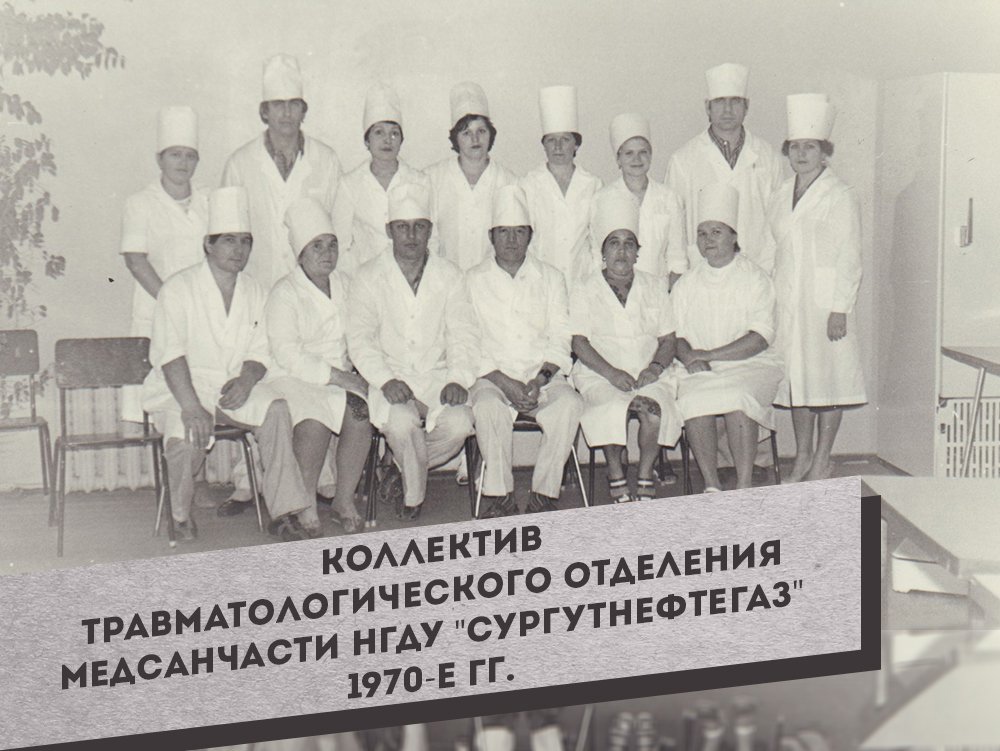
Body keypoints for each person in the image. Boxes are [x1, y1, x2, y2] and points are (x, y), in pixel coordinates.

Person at [141, 187, 317, 541]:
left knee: (276, 409)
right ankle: (179, 514)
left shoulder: (256, 291)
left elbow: (262, 349)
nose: (239, 250)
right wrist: (191, 406)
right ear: (208, 245)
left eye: (246, 241)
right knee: (185, 436)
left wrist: (248, 380)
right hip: (182, 390)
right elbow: (169, 354)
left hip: (234, 387)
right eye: (229, 241)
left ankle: (284, 512)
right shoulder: (178, 289)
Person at [221, 53, 343, 507]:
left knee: (313, 381)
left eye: (294, 104)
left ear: (304, 109)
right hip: (257, 287)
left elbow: (338, 228)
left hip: (309, 290)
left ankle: (321, 473)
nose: (287, 113)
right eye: (278, 105)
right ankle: (247, 478)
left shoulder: (326, 160)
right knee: (259, 382)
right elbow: (229, 227)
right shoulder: (240, 163)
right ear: (264, 111)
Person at [347, 182, 476, 521]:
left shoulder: (450, 275)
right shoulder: (368, 276)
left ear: (430, 230)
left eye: (419, 226)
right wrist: (385, 379)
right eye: (402, 227)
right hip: (390, 377)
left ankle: (397, 467)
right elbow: (360, 339)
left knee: (460, 424)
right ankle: (412, 496)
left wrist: (458, 377)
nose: (411, 235)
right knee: (403, 423)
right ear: (389, 230)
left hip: (437, 377)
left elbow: (463, 333)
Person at [466, 185, 583, 517]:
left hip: (541, 377)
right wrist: (505, 383)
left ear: (530, 235)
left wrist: (539, 379)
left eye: (519, 232)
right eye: (503, 232)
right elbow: (468, 341)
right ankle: (500, 494)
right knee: (487, 407)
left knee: (569, 404)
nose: (512, 240)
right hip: (492, 377)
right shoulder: (472, 280)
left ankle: (544, 493)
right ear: (491, 236)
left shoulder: (551, 277)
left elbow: (561, 337)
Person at [768, 94, 866, 482]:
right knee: (799, 381)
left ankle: (823, 458)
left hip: (825, 305)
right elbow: (773, 248)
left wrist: (840, 307)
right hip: (789, 302)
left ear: (824, 152)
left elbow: (850, 255)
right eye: (795, 147)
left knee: (828, 381)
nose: (802, 154)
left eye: (810, 147)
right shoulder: (780, 195)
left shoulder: (839, 194)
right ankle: (803, 456)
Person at [265, 198, 373, 535]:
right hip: (293, 377)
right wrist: (338, 377)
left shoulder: (347, 284)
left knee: (360, 412)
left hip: (338, 377)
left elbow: (361, 332)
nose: (327, 253)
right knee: (314, 420)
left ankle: (343, 499)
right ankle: (306, 501)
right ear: (300, 254)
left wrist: (360, 372)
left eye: (332, 245)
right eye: (317, 246)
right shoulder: (284, 292)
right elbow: (287, 352)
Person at [570, 194, 682, 503]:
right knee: (610, 409)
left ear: (638, 252)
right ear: (603, 251)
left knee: (654, 412)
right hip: (600, 373)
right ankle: (616, 472)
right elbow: (579, 342)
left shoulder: (655, 285)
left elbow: (668, 339)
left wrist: (654, 368)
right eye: (614, 243)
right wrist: (611, 373)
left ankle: (644, 473)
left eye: (629, 244)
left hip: (650, 372)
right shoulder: (584, 287)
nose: (622, 251)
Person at [671, 184, 784, 492]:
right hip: (699, 366)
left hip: (752, 365)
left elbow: (759, 338)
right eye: (702, 233)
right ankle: (711, 486)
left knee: (737, 398)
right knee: (693, 399)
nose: (708, 240)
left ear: (734, 236)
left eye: (716, 232)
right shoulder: (687, 283)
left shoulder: (755, 278)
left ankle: (743, 486)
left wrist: (708, 355)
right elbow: (676, 335)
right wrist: (689, 357)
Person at [120, 106, 208, 422]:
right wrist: (171, 301)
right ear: (160, 159)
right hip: (155, 309)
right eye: (175, 155)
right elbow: (135, 261)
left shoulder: (208, 201)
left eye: (190, 156)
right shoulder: (140, 203)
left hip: (199, 314)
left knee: (195, 403)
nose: (183, 163)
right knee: (149, 407)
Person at [666, 63, 784, 275]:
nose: (727, 110)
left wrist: (768, 271)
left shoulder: (769, 158)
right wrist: (679, 271)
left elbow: (777, 223)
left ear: (746, 106)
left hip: (757, 271)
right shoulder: (683, 160)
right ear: (707, 107)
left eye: (735, 101)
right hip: (701, 274)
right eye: (720, 101)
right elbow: (674, 225)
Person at [333, 83, 427, 273]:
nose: (387, 140)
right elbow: (340, 244)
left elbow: (431, 239)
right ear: (367, 141)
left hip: (410, 276)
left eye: (394, 133)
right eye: (379, 132)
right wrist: (357, 276)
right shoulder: (349, 184)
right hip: (364, 277)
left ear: (401, 140)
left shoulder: (420, 181)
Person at [426, 81, 517, 271]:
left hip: (492, 280)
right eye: (466, 133)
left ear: (490, 135)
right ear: (456, 139)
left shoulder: (508, 181)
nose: (475, 139)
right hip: (444, 278)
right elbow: (429, 238)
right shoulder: (433, 178)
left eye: (481, 131)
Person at [519, 85, 602, 287]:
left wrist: (596, 279)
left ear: (576, 144)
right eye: (551, 140)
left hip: (582, 281)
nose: (558, 147)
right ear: (544, 145)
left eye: (565, 139)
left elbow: (597, 241)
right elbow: (524, 241)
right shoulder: (528, 184)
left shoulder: (592, 184)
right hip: (540, 282)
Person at [593, 113, 687, 288]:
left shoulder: (669, 198)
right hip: (615, 292)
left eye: (643, 152)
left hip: (658, 291)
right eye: (629, 153)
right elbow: (596, 256)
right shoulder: (602, 198)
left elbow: (678, 258)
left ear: (650, 156)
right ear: (618, 159)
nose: (636, 159)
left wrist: (669, 294)